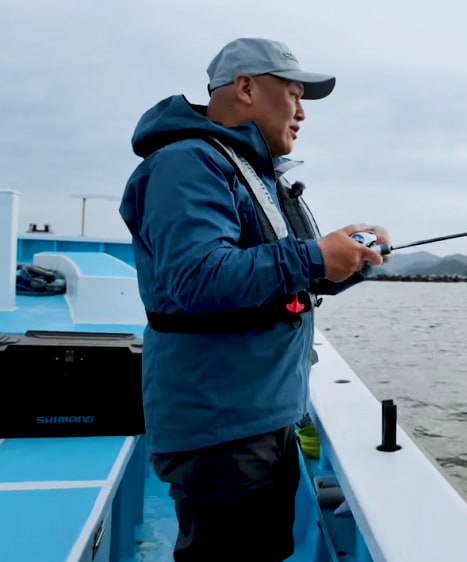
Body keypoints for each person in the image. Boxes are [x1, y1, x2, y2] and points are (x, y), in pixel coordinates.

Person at [118, 37, 388, 561]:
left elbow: (282, 277)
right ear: (245, 88)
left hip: (257, 415)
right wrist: (314, 258)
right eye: (293, 94)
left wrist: (351, 261)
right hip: (221, 425)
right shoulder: (187, 164)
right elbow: (195, 278)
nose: (302, 112)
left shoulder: (247, 170)